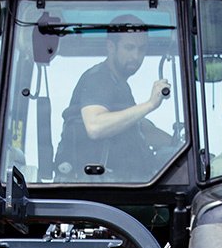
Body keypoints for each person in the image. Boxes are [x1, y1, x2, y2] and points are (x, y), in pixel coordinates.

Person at [56, 15, 175, 181]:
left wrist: (177, 145)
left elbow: (140, 128)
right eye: (129, 48)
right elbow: (95, 126)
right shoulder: (98, 78)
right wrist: (149, 105)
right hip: (93, 189)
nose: (136, 56)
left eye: (142, 49)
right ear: (111, 47)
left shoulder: (120, 85)